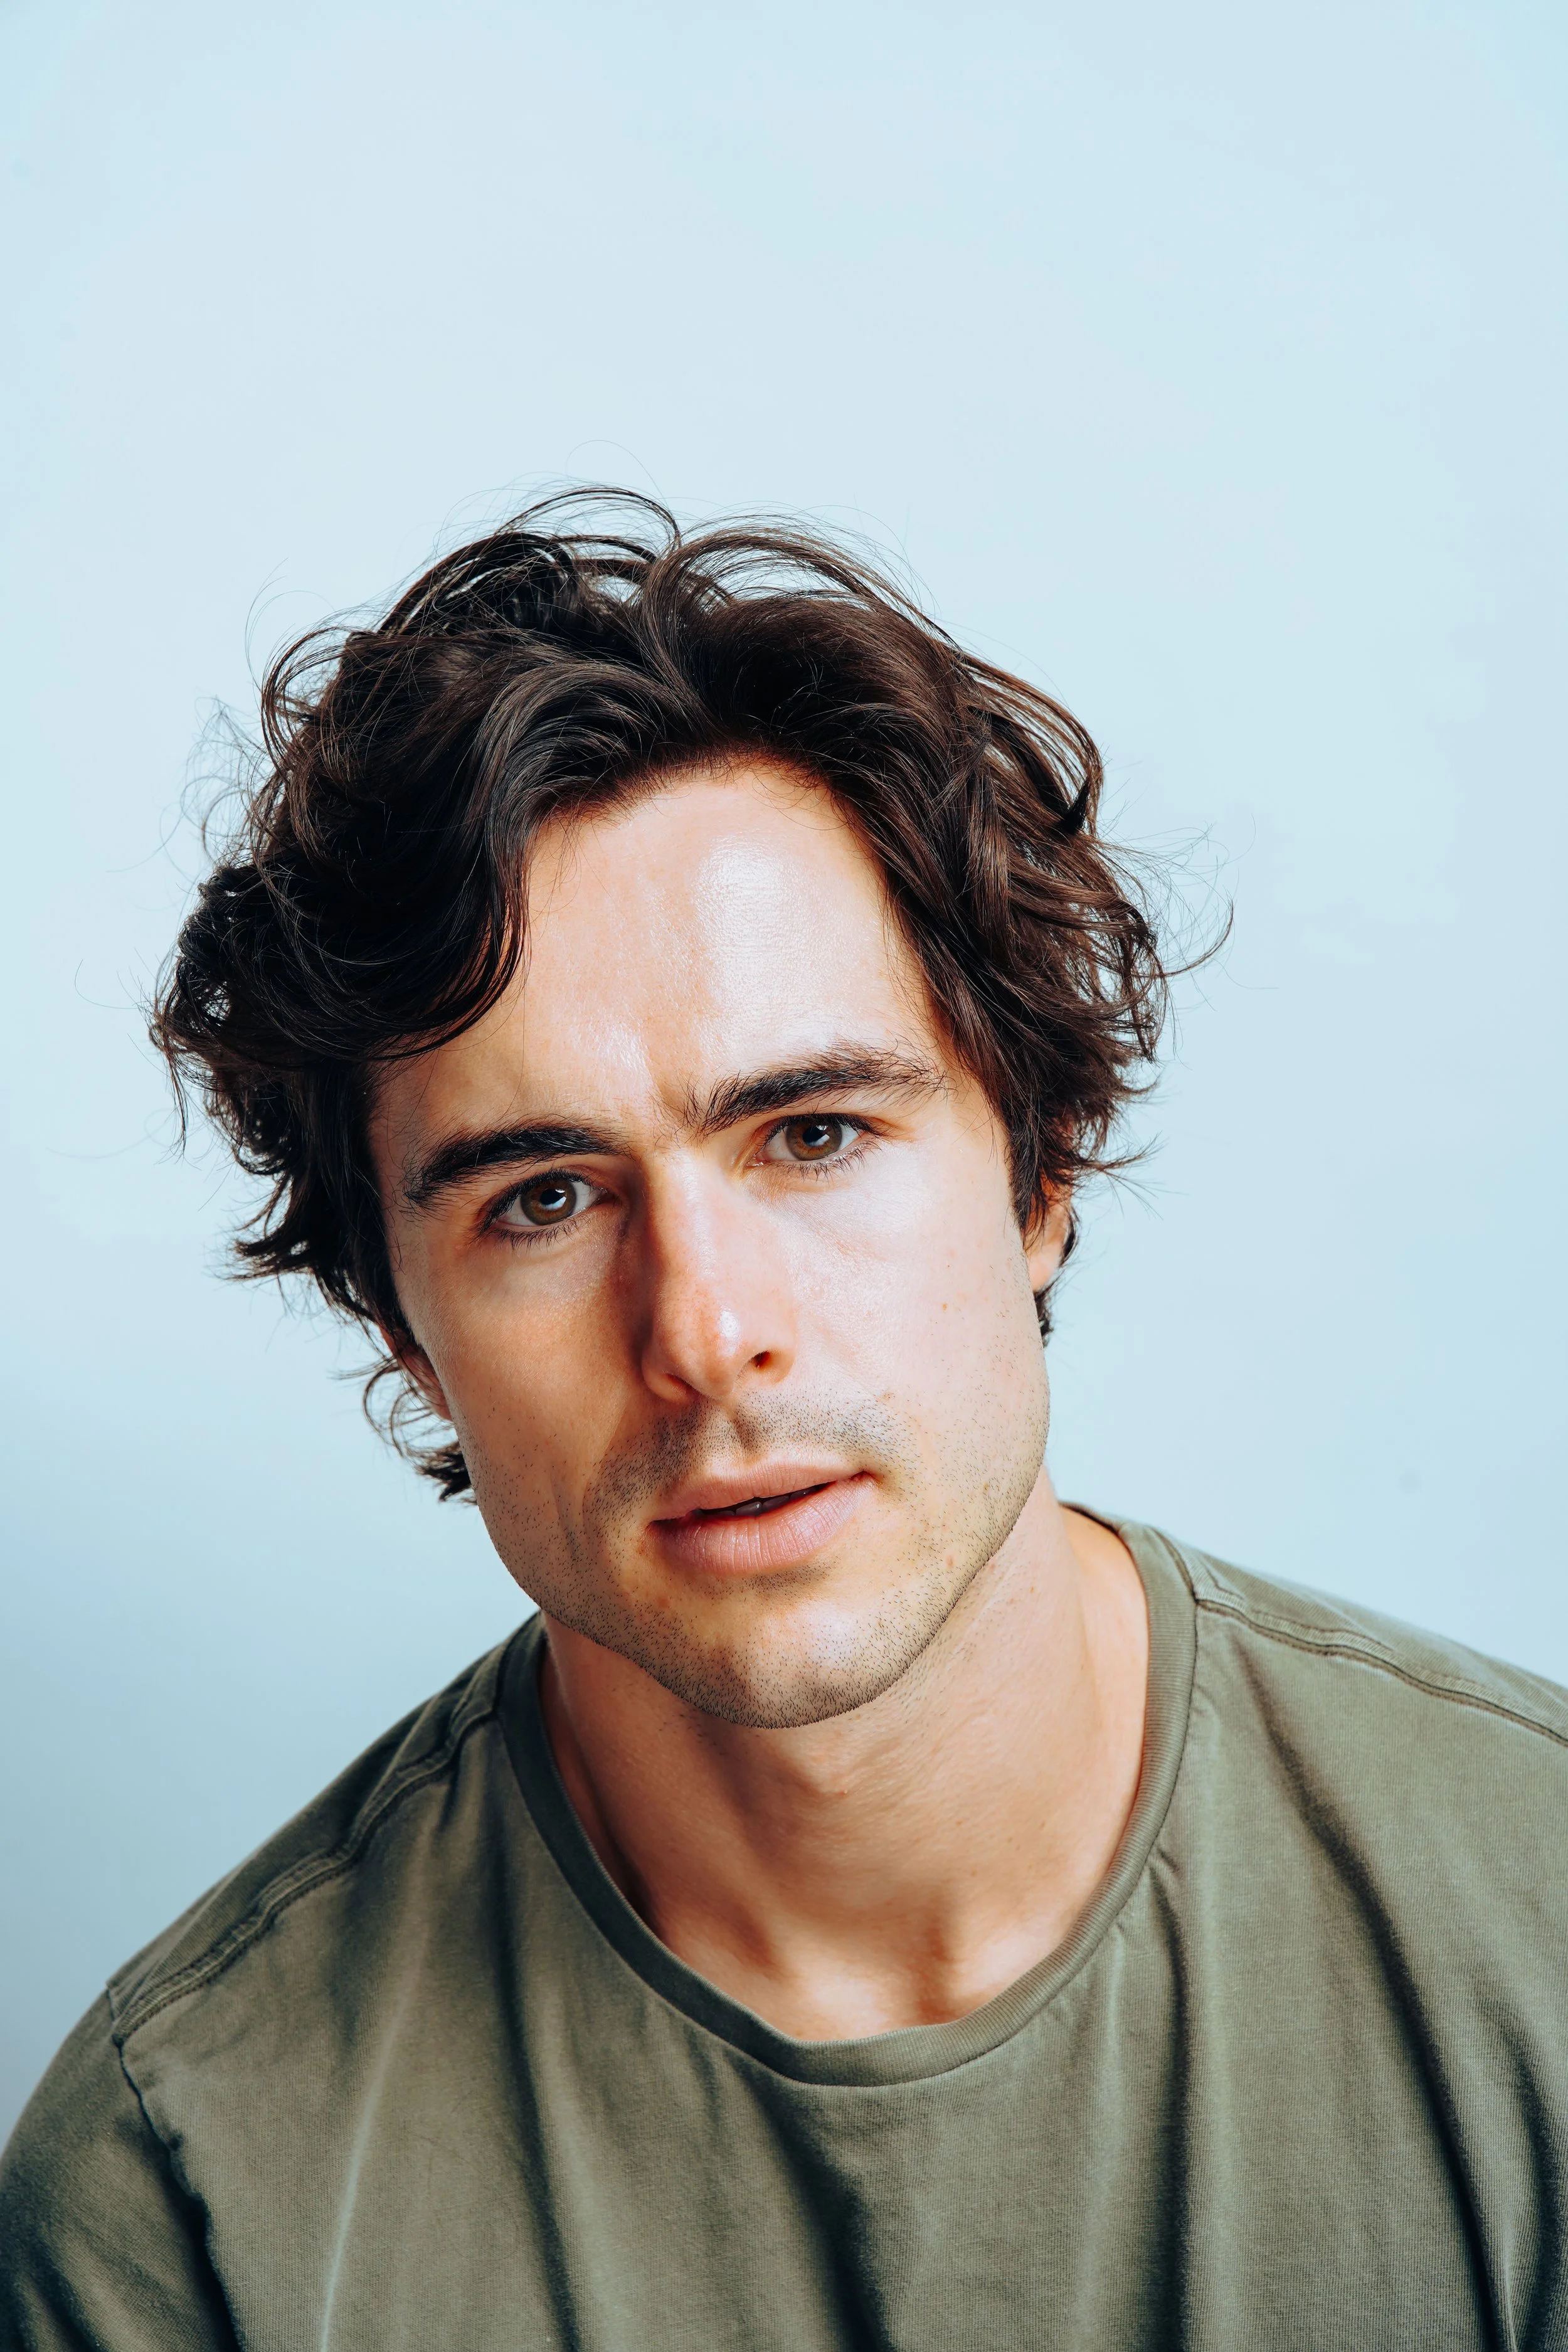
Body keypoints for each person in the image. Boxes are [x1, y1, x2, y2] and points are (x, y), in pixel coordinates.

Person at [3, 495, 1565, 2352]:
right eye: (543, 1198)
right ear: (398, 1325)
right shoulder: (181, 2192)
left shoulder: (1535, 1927)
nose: (707, 1334)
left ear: (1039, 1169)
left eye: (812, 1135)